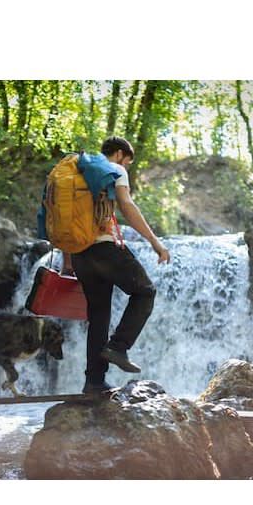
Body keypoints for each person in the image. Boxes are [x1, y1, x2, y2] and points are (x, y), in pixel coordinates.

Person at [67, 136, 171, 395]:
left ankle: (94, 382)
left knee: (99, 315)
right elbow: (127, 205)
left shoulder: (76, 175)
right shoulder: (114, 169)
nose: (126, 166)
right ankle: (118, 346)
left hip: (79, 254)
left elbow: (64, 218)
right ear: (119, 154)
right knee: (145, 292)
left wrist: (67, 261)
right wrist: (155, 242)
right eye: (127, 161)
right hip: (104, 249)